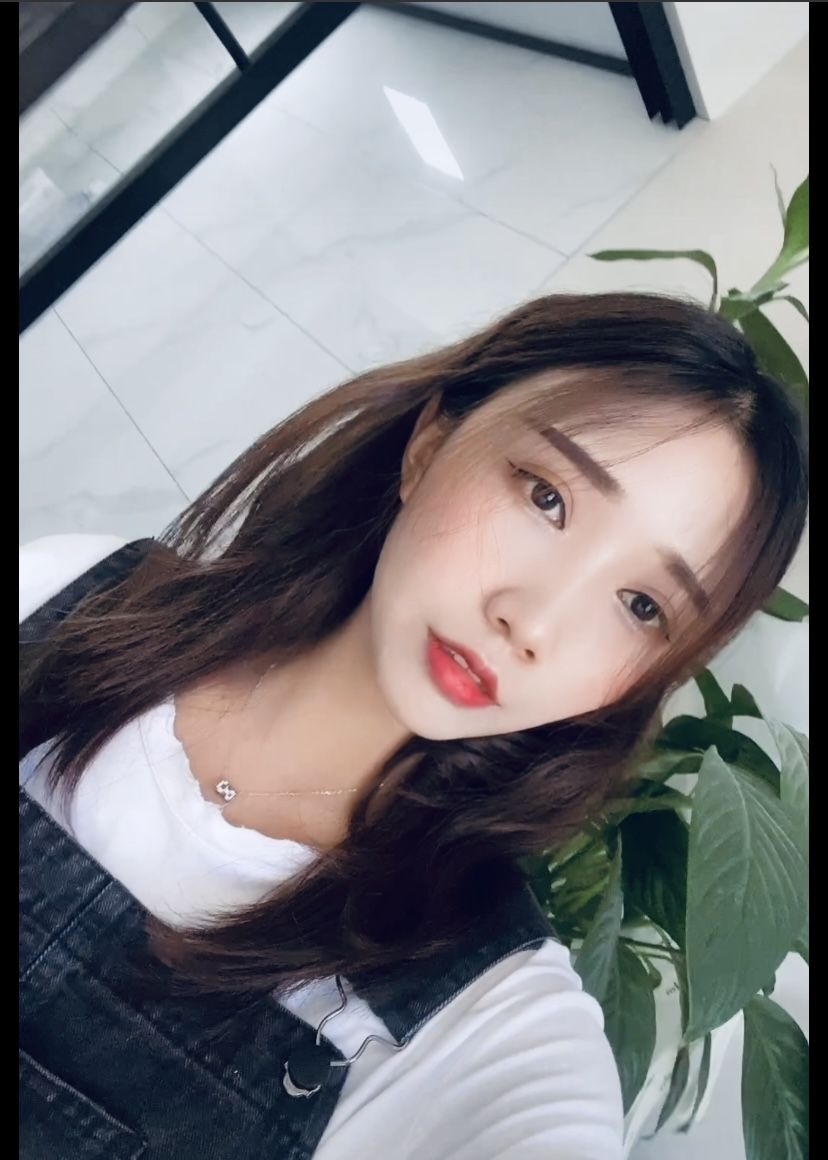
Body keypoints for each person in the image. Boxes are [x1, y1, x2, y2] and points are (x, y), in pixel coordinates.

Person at [19, 293, 808, 1159]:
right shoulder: (68, 599)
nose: (533, 622)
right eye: (548, 497)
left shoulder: (485, 1022)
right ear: (431, 446)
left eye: (641, 606)